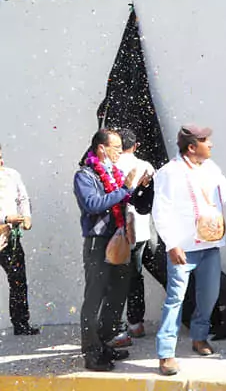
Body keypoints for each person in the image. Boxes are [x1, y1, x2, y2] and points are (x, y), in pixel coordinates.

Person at [153, 124, 226, 375]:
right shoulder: (169, 172)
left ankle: (199, 337)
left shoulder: (211, 168)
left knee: (209, 296)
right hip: (183, 248)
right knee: (175, 300)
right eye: (205, 141)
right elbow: (161, 211)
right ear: (192, 147)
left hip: (210, 245)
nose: (210, 144)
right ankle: (166, 353)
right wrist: (171, 244)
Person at [73, 129, 142, 371]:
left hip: (119, 241)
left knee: (117, 295)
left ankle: (104, 344)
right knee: (94, 298)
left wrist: (137, 188)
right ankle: (91, 353)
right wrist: (125, 189)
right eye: (115, 147)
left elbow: (123, 201)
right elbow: (93, 204)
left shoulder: (115, 174)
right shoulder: (84, 176)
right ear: (101, 148)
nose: (119, 152)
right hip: (98, 243)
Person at [113, 128, 156, 341]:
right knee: (134, 276)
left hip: (114, 230)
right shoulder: (146, 166)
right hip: (140, 231)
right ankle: (136, 322)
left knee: (113, 277)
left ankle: (113, 323)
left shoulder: (110, 167)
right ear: (136, 146)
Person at [0, 143, 39, 336]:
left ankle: (21, 323)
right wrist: (5, 218)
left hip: (9, 237)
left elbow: (23, 198)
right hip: (4, 225)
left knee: (17, 280)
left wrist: (27, 216)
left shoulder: (12, 174)